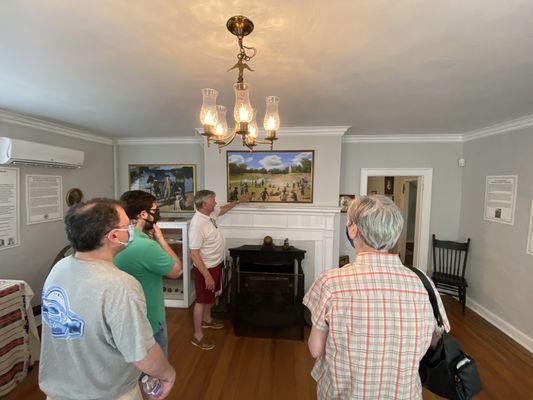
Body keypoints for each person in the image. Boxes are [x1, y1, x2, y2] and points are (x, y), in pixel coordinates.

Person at [303, 195, 450, 399]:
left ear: (353, 230)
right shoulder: (423, 283)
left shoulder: (331, 283)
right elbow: (435, 341)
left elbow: (315, 349)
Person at [39, 198, 175, 400]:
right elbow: (142, 353)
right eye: (126, 225)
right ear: (113, 236)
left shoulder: (59, 268)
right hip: (108, 393)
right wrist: (168, 374)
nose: (131, 228)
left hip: (61, 392)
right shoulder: (120, 285)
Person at [114, 190, 182, 357]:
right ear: (143, 214)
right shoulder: (146, 246)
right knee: (155, 373)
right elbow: (176, 270)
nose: (157, 214)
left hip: (121, 318)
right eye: (155, 210)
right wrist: (161, 240)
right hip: (149, 319)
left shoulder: (115, 238)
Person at [189, 190, 251, 350]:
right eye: (212, 200)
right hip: (205, 268)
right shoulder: (197, 224)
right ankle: (197, 336)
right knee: (201, 301)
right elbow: (194, 254)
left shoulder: (210, 214)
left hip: (215, 264)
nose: (215, 202)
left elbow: (223, 209)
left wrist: (239, 201)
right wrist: (207, 276)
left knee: (210, 296)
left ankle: (207, 320)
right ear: (203, 204)